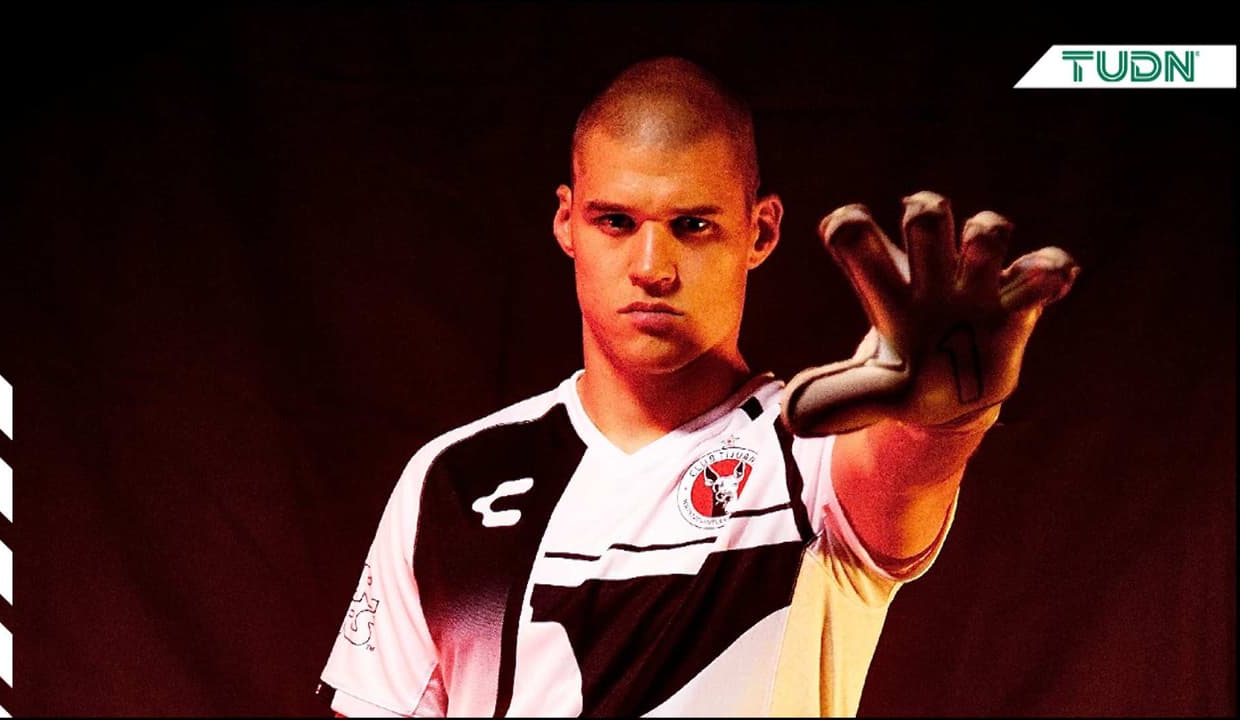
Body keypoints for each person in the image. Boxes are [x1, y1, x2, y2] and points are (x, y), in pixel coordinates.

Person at [316, 56, 1078, 717]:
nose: (653, 266)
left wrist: (943, 426)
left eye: (693, 225)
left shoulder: (812, 459)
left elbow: (899, 470)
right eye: (617, 221)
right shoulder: (453, 478)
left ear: (761, 230)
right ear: (567, 222)